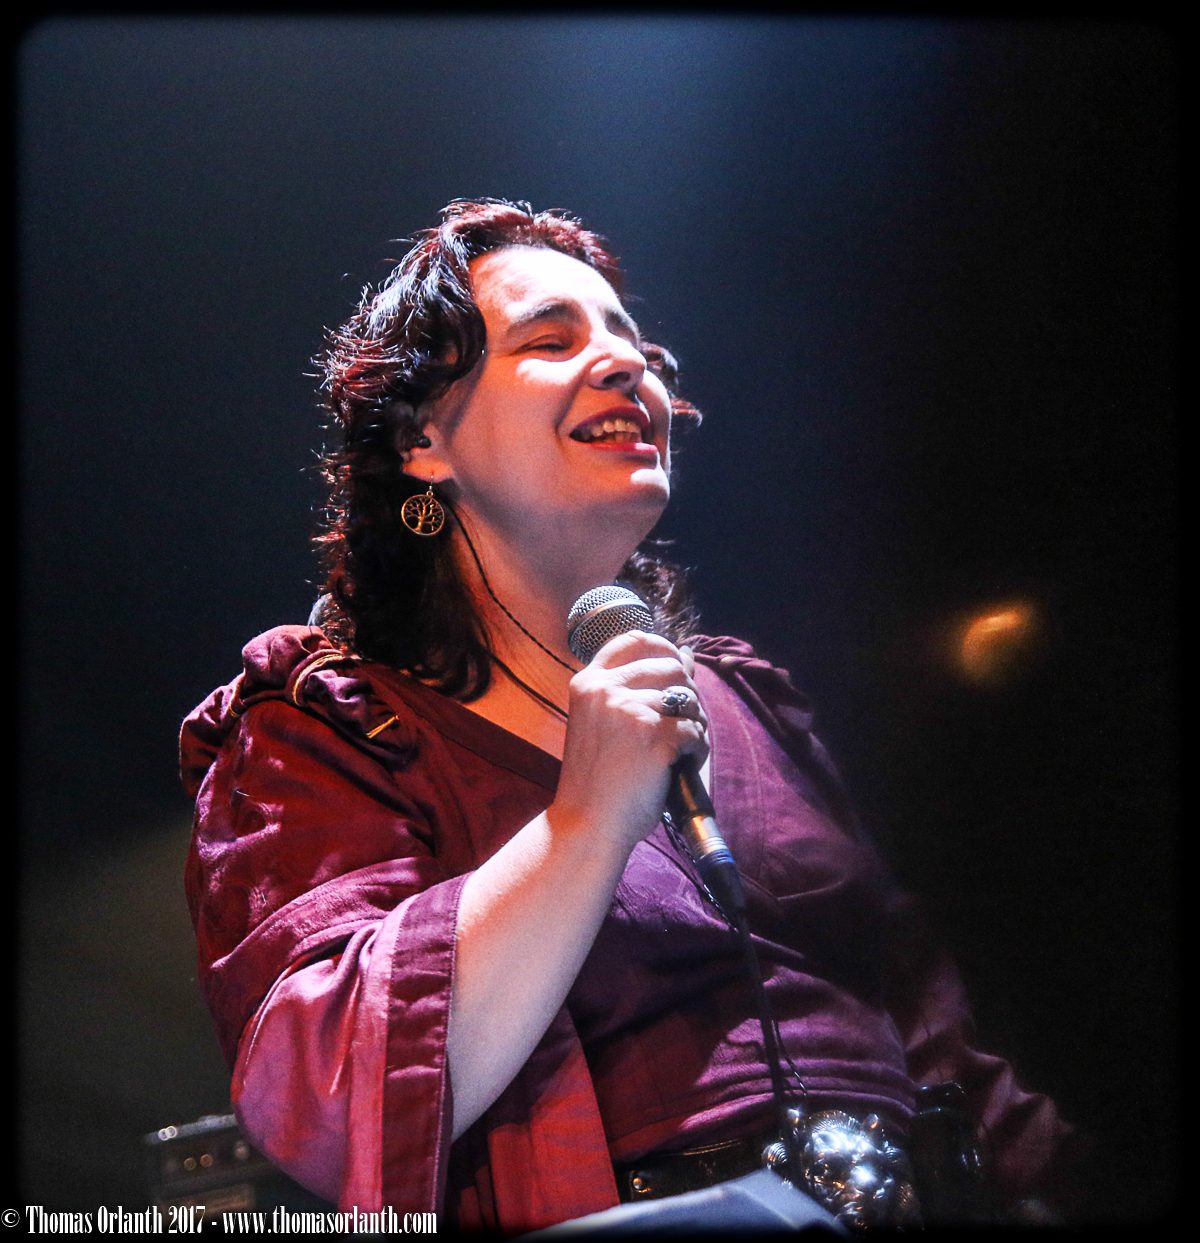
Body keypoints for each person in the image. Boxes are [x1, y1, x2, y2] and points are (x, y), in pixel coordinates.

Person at [181, 200, 1081, 1233]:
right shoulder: (324, 724)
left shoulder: (753, 701)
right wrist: (586, 821)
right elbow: (332, 1094)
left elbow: (934, 1031)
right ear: (423, 439)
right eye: (550, 340)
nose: (625, 364)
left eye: (633, 340)